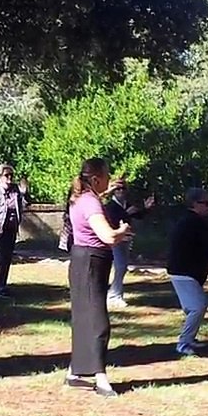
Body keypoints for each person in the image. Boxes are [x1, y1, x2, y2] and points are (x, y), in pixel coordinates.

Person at [64, 158, 133, 397]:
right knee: (98, 322)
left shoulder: (80, 198)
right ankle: (100, 378)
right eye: (106, 176)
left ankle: (74, 373)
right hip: (91, 263)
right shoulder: (91, 202)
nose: (109, 179)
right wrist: (122, 231)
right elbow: (107, 236)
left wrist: (108, 190)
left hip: (84, 261)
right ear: (95, 179)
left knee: (83, 318)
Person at [166, 188, 208, 356]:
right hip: (183, 272)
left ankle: (190, 339)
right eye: (206, 203)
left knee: (194, 307)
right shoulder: (193, 222)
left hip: (184, 272)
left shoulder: (192, 221)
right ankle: (183, 343)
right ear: (195, 204)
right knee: (197, 307)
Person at [0, 163, 30, 298]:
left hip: (12, 228)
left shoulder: (15, 190)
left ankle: (0, 285)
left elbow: (25, 203)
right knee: (5, 255)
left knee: (7, 257)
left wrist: (25, 192)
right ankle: (0, 286)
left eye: (11, 175)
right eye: (6, 175)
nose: (9, 178)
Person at [104, 180, 155, 309]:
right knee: (120, 266)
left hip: (126, 239)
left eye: (123, 189)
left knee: (122, 267)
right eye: (118, 189)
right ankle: (114, 296)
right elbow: (113, 221)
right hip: (115, 240)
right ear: (113, 192)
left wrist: (147, 208)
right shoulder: (111, 206)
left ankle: (116, 294)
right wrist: (127, 213)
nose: (121, 192)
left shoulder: (126, 204)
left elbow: (138, 215)